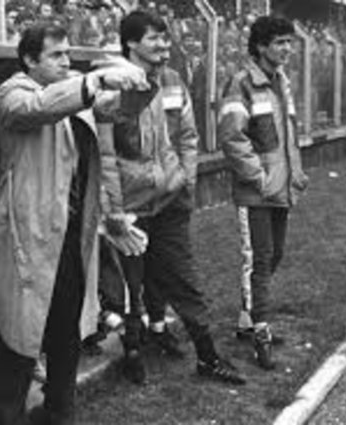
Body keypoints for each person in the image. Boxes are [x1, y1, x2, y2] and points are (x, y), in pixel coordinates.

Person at [0, 22, 148, 425]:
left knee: (65, 334)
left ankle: (59, 414)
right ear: (29, 59)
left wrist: (140, 80)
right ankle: (8, 418)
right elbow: (38, 108)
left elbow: (120, 109)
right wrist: (94, 80)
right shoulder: (12, 92)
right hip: (30, 239)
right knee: (19, 339)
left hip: (71, 237)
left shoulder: (76, 93)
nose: (65, 61)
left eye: (68, 54)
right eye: (55, 55)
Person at [96, 10, 246, 386]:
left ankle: (208, 356)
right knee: (131, 285)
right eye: (154, 38)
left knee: (184, 278)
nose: (164, 45)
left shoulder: (174, 81)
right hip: (130, 207)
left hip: (170, 200)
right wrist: (114, 211)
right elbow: (106, 156)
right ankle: (133, 350)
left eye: (166, 38)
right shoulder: (111, 85)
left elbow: (189, 137)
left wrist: (186, 181)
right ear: (131, 43)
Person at [217, 16, 309, 370]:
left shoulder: (281, 82)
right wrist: (258, 177)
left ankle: (248, 319)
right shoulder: (241, 83)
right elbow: (232, 137)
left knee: (275, 254)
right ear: (260, 46)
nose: (287, 49)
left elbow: (288, 135)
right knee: (258, 258)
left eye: (289, 42)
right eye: (280, 42)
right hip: (256, 192)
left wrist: (295, 173)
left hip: (280, 188)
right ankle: (261, 330)